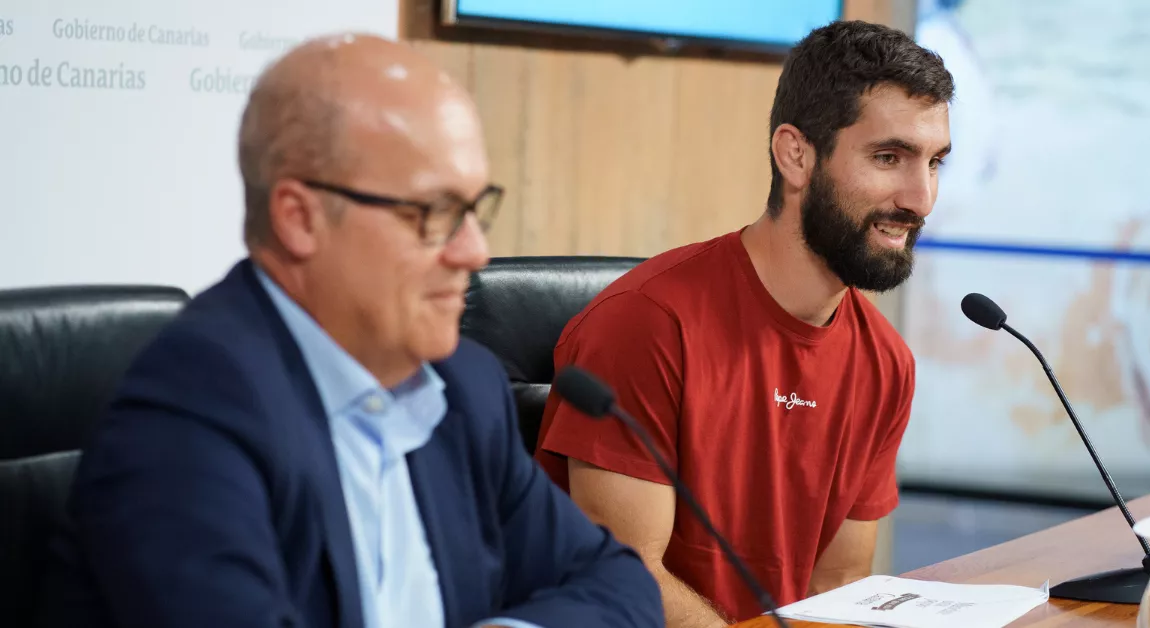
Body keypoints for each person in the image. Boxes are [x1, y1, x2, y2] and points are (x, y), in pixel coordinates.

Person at [39, 34, 662, 628]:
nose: (474, 250)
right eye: (434, 213)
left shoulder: (463, 387)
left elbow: (617, 582)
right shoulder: (188, 415)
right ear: (300, 219)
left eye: (475, 208)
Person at [533, 20, 954, 626]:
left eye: (935, 161)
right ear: (796, 154)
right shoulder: (646, 324)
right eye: (889, 157)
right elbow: (624, 579)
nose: (921, 198)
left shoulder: (885, 362)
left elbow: (836, 583)